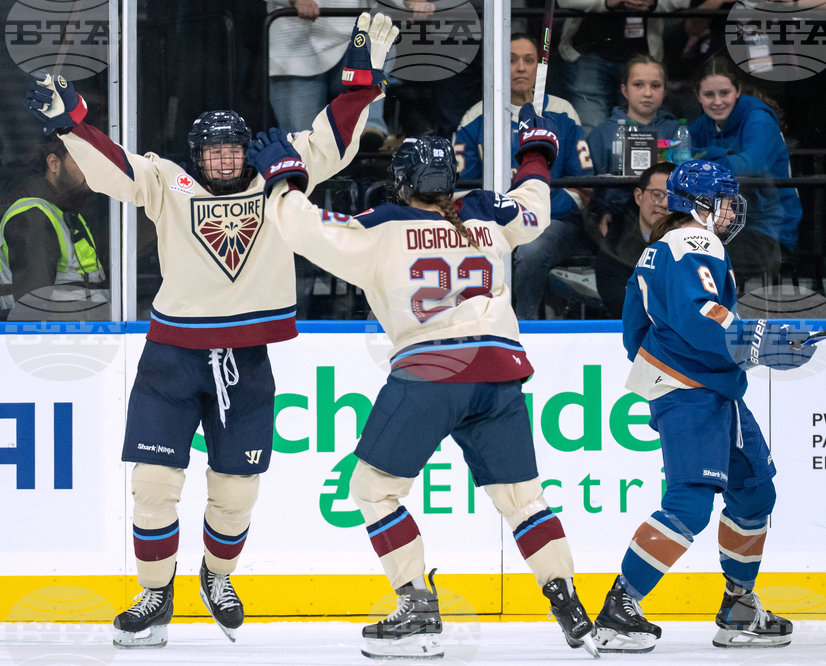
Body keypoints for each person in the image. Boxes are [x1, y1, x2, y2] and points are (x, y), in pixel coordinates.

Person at [24, 13, 398, 649]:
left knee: (235, 495)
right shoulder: (168, 183)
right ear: (194, 154)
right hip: (173, 357)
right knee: (152, 488)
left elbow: (331, 140)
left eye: (233, 148)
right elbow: (113, 163)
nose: (224, 158)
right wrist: (72, 121)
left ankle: (216, 576)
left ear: (246, 148)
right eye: (212, 150)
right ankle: (154, 594)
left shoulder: (277, 177)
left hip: (246, 361)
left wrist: (361, 83)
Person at [250, 106, 599, 659]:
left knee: (372, 489)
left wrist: (283, 178)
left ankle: (416, 604)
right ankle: (569, 604)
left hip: (432, 370)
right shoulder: (488, 217)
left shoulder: (381, 225)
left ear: (403, 182)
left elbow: (304, 230)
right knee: (522, 500)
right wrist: (536, 151)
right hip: (500, 371)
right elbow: (534, 205)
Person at [593, 160, 816, 653]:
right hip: (690, 391)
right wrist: (756, 340)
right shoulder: (694, 241)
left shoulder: (659, 249)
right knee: (689, 502)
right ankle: (618, 607)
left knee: (754, 490)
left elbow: (637, 331)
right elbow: (700, 316)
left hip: (711, 390)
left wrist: (738, 351)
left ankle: (738, 606)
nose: (733, 211)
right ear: (700, 206)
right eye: (726, 200)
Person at [454, 33, 594, 320]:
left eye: (529, 61)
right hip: (491, 224)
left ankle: (523, 325)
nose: (520, 68)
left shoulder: (562, 112)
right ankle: (479, 324)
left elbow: (581, 188)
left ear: (539, 68)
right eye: (511, 60)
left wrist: (528, 216)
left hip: (552, 224)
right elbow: (458, 191)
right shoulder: (476, 117)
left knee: (531, 249)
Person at [689, 58, 802, 293]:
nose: (717, 101)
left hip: (768, 231)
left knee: (697, 266)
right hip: (718, 226)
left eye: (725, 93)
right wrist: (722, 155)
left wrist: (705, 157)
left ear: (738, 90)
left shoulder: (758, 119)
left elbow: (750, 166)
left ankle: (712, 325)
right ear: (698, 96)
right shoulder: (702, 125)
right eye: (709, 95)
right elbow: (683, 161)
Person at [0, 135, 109, 320]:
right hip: (57, 342)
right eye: (81, 161)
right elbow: (33, 307)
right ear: (54, 164)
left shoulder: (65, 213)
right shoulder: (34, 215)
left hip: (79, 339)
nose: (91, 171)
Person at [266, 0, 389, 150]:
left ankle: (368, 125)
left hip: (350, 39)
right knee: (303, 147)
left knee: (379, 37)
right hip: (295, 48)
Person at [557, 0, 689, 137]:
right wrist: (605, 2)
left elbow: (684, 2)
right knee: (590, 130)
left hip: (642, 57)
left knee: (639, 134)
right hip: (589, 52)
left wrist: (655, 2)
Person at [588, 54, 679, 236]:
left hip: (667, 222)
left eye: (655, 86)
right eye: (638, 85)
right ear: (624, 90)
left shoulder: (676, 131)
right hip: (617, 223)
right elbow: (590, 186)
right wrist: (602, 213)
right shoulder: (602, 133)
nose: (647, 93)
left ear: (664, 90)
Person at [595, 161, 675, 318]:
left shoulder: (696, 244)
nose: (665, 204)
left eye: (674, 197)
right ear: (639, 197)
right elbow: (623, 307)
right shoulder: (614, 247)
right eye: (657, 195)